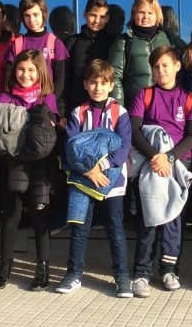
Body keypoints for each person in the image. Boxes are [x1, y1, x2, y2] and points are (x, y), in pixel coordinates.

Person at [128, 45, 192, 297]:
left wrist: (169, 157)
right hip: (150, 164)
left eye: (165, 65)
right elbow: (134, 130)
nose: (161, 71)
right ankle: (141, 273)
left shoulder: (189, 99)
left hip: (177, 165)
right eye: (156, 67)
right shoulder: (145, 95)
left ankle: (170, 269)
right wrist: (156, 157)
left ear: (177, 66)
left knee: (173, 219)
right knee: (149, 218)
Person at [55, 59, 133, 296]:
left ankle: (122, 277)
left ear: (111, 85)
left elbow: (124, 147)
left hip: (112, 180)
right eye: (93, 82)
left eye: (103, 83)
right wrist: (89, 170)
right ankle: (74, 274)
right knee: (79, 228)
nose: (98, 87)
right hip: (83, 178)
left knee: (115, 228)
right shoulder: (77, 113)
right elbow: (71, 148)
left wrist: (102, 167)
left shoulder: (120, 112)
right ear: (85, 84)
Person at [0, 49, 60, 290]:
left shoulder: (47, 98)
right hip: (14, 165)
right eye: (21, 69)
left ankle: (42, 269)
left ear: (41, 72)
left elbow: (48, 135)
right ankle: (4, 268)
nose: (25, 74)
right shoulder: (5, 97)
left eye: (31, 70)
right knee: (11, 216)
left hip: (41, 166)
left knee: (40, 217)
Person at [109, 0, 177, 106]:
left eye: (150, 13)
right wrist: (119, 108)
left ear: (157, 15)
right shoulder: (124, 41)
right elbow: (114, 76)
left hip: (165, 105)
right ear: (134, 14)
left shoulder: (168, 39)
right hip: (135, 105)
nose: (146, 17)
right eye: (141, 12)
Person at [6, 0, 70, 101]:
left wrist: (49, 104)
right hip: (21, 104)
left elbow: (60, 82)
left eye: (35, 15)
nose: (31, 20)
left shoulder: (55, 43)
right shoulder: (17, 44)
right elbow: (9, 79)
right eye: (27, 15)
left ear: (43, 14)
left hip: (45, 105)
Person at [62, 0, 116, 113]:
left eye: (102, 17)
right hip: (76, 107)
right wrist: (62, 112)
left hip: (105, 109)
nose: (97, 20)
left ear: (107, 18)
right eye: (93, 15)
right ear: (84, 14)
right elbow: (64, 79)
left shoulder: (113, 43)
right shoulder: (72, 42)